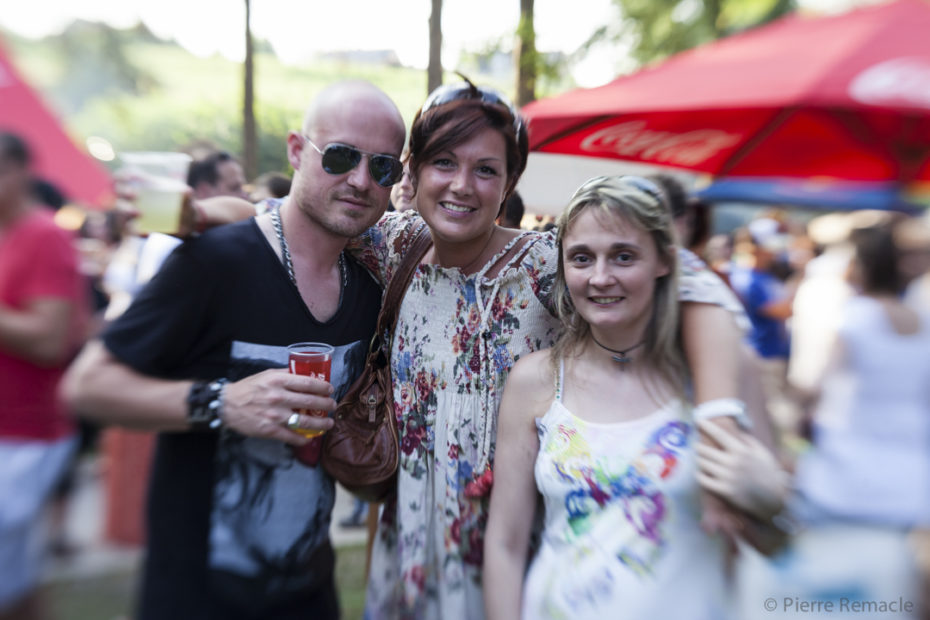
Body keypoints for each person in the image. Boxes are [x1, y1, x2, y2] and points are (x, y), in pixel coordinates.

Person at [321, 79, 751, 620]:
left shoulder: (546, 263)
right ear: (414, 170)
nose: (461, 186)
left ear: (510, 182)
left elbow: (700, 290)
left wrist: (719, 423)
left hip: (517, 546)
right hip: (411, 540)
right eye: (444, 163)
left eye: (486, 170)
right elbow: (293, 217)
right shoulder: (395, 245)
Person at [61, 80, 407, 620]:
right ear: (297, 150)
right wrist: (222, 402)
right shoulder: (216, 262)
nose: (361, 180)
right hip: (195, 597)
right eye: (340, 156)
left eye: (383, 167)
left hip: (308, 594)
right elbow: (87, 386)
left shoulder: (370, 286)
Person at [482, 175, 783, 619]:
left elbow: (774, 546)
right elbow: (505, 543)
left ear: (664, 259)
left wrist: (772, 501)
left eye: (623, 256)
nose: (600, 278)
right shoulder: (536, 380)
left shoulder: (717, 377)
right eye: (582, 258)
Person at [732, 214, 930, 620]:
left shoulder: (855, 317)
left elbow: (813, 385)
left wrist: (792, 412)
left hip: (852, 463)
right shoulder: (921, 320)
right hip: (912, 461)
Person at [0, 132, 88, 620]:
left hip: (28, 431)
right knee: (15, 582)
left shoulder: (44, 235)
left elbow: (51, 339)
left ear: (18, 171)